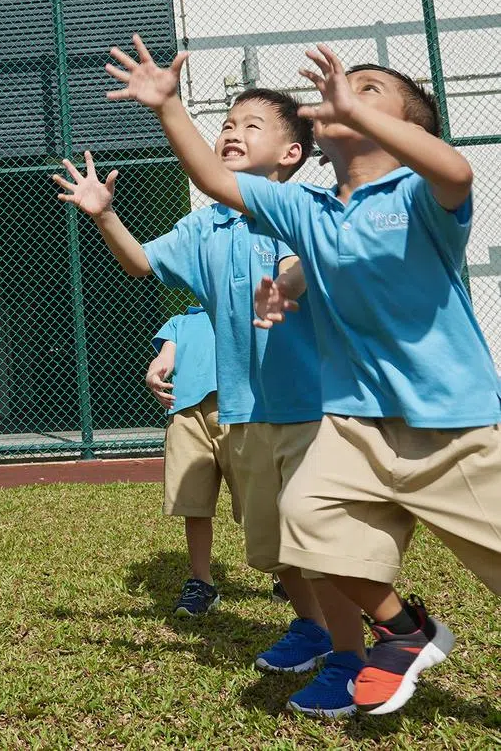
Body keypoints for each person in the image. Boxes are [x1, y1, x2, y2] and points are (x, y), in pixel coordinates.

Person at [110, 35, 501, 715]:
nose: (344, 89)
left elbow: (456, 172)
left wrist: (358, 107)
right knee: (306, 518)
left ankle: (399, 633)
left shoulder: (415, 196)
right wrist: (169, 107)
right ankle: (405, 631)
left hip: (451, 426)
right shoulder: (311, 211)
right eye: (343, 88)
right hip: (354, 423)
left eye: (370, 89)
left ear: (401, 130)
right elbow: (214, 180)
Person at [57, 84, 366, 717]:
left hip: (313, 405)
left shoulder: (302, 205)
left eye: (251, 125)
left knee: (317, 539)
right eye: (227, 122)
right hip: (246, 407)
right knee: (274, 543)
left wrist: (279, 291)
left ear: (291, 153)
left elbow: (307, 264)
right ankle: (310, 628)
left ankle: (353, 657)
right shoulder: (206, 224)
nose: (231, 131)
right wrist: (103, 214)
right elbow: (143, 263)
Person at [146, 306, 240, 617]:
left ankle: (285, 574)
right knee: (193, 503)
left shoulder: (240, 307)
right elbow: (166, 357)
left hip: (240, 414)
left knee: (259, 501)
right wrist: (155, 371)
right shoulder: (179, 322)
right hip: (186, 415)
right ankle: (202, 582)